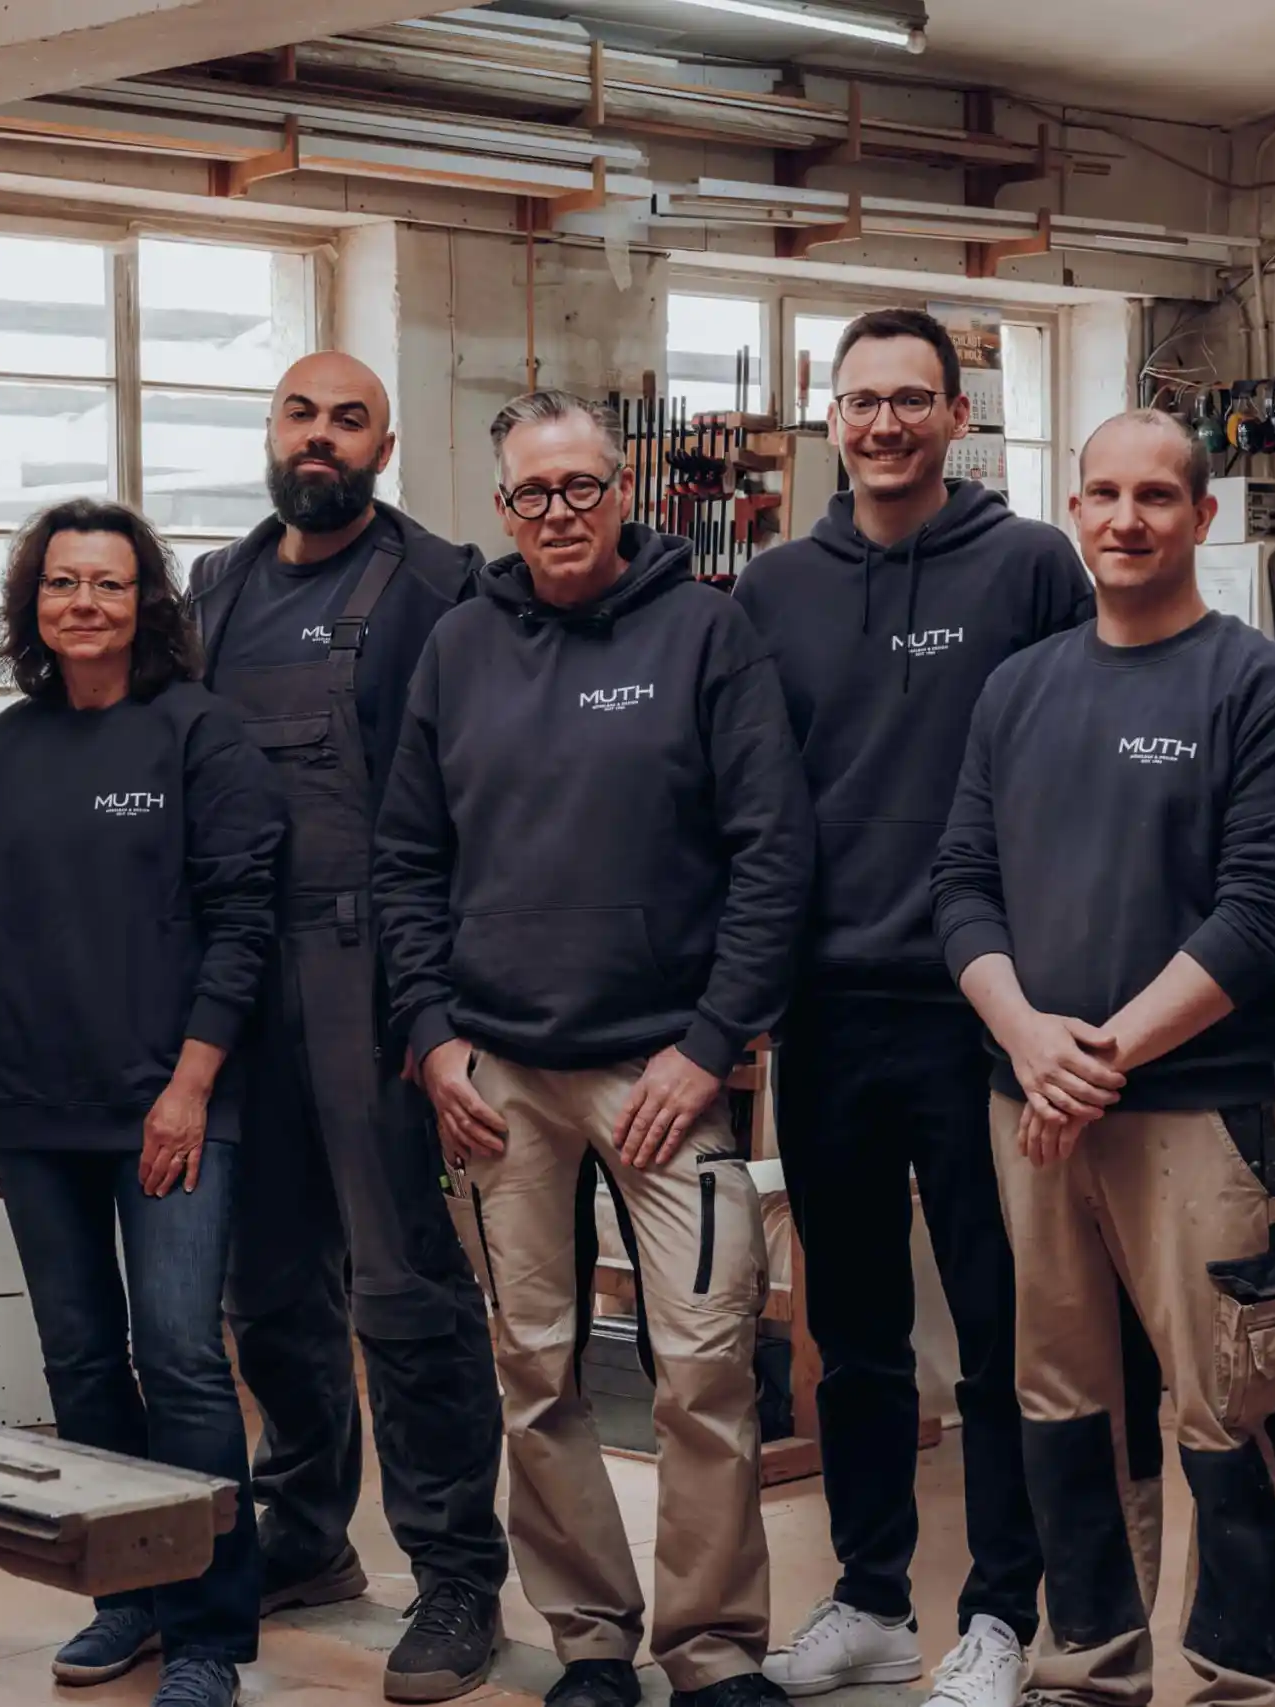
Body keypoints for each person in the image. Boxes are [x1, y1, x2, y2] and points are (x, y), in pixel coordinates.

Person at [374, 390, 814, 1707]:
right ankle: (589, 1637)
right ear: (501, 508)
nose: (557, 511)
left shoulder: (705, 634)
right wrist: (433, 1035)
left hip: (663, 1076)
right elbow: (407, 858)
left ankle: (717, 1644)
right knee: (535, 1368)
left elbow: (770, 852)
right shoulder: (458, 648)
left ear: (624, 493)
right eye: (530, 493)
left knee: (703, 1365)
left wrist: (709, 1043)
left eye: (580, 487)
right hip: (497, 1075)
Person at [733, 307, 1112, 1707]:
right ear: (831, 418)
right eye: (860, 400)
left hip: (984, 1009)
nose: (884, 422)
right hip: (827, 1010)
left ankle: (1002, 1606)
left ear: (959, 415)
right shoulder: (773, 588)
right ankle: (872, 1595)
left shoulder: (1027, 566)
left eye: (911, 398)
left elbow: (1078, 771)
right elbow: (750, 805)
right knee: (858, 1327)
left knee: (1004, 1322)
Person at [932, 410, 1275, 1707]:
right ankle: (1088, 1664)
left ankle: (1257, 1678)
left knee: (1234, 1412)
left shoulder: (1262, 685)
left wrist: (1093, 1057)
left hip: (1193, 1117)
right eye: (1103, 493)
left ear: (1203, 517)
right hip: (1032, 1107)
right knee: (1063, 1405)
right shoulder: (1021, 686)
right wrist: (1023, 1035)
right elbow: (961, 885)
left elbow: (1262, 908)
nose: (1126, 519)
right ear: (1076, 506)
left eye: (1157, 496)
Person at [192, 352, 509, 1702]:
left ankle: (453, 1572)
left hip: (368, 975)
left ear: (384, 444)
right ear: (271, 428)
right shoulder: (211, 587)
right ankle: (306, 1531)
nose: (320, 438)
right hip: (234, 973)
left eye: (349, 420)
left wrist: (435, 1007)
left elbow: (478, 805)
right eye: (300, 413)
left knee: (404, 1286)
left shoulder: (442, 586)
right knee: (261, 1286)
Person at [0, 498, 283, 1707]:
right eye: (60, 584)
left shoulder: (199, 736)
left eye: (109, 582)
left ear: (148, 603)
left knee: (184, 1358)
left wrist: (190, 1090)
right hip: (36, 1108)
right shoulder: (4, 749)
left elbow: (243, 927)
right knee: (82, 1366)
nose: (83, 602)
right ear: (31, 605)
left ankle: (207, 1631)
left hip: (172, 1103)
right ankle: (124, 1600)